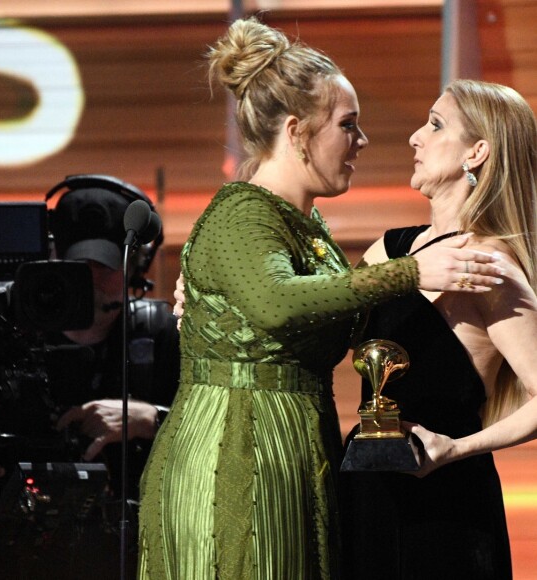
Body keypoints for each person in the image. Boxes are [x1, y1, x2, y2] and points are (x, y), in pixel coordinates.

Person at [136, 17, 506, 580]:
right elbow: (278, 302)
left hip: (296, 446)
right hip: (235, 455)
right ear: (296, 131)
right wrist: (410, 272)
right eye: (347, 124)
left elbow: (333, 308)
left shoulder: (309, 231)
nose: (362, 140)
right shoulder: (243, 210)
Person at [339, 79, 537, 580]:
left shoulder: (489, 264)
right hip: (367, 493)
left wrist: (456, 449)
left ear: (477, 152)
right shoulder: (389, 249)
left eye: (435, 124)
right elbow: (318, 324)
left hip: (447, 506)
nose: (414, 137)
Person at [0, 175, 180, 579]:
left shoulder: (164, 335)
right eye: (78, 265)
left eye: (104, 266)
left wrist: (152, 420)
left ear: (137, 267)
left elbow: (222, 440)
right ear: (52, 256)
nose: (89, 280)